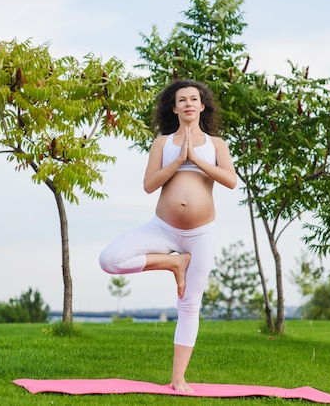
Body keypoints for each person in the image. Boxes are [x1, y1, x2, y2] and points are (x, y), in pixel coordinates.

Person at [98, 79, 237, 392]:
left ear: (202, 106)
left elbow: (231, 181)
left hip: (200, 234)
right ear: (173, 108)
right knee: (110, 260)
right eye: (182, 100)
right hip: (162, 229)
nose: (188, 103)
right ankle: (173, 263)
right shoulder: (162, 143)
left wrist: (196, 159)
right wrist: (178, 160)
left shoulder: (216, 145)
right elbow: (149, 185)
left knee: (189, 305)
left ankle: (178, 378)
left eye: (194, 99)